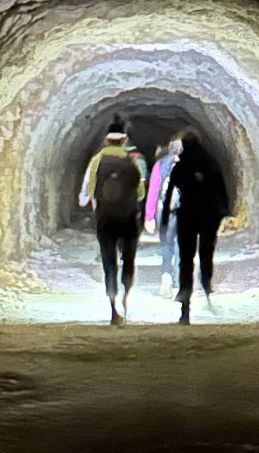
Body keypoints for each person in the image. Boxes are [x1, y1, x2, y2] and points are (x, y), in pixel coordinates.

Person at [78, 117, 146, 324]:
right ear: (124, 140)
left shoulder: (97, 160)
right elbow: (141, 192)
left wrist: (95, 204)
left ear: (107, 140)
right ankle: (126, 294)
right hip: (127, 217)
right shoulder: (131, 161)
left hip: (105, 218)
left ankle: (112, 305)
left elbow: (85, 194)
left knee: (109, 260)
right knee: (128, 258)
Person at [159, 134, 229, 324]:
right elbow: (222, 190)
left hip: (187, 215)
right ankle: (206, 284)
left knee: (186, 258)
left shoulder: (181, 166)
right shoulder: (211, 164)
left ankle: (185, 303)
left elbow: (170, 193)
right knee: (206, 253)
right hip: (209, 216)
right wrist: (224, 211)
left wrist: (165, 218)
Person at [144, 137, 182, 297]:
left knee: (166, 246)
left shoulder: (160, 165)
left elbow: (153, 191)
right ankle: (177, 285)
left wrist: (149, 216)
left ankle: (166, 277)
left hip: (163, 211)